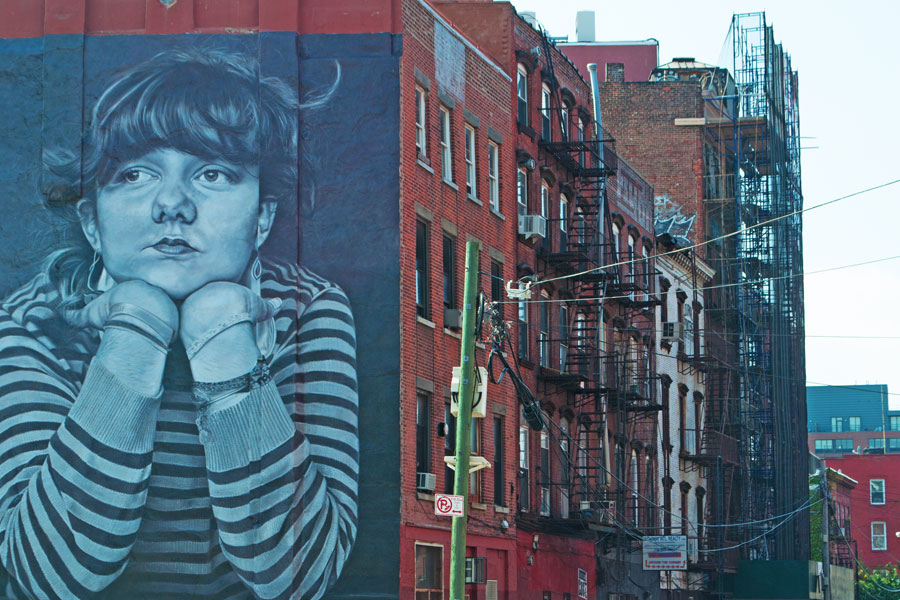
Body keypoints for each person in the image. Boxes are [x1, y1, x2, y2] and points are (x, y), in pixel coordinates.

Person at [0, 48, 358, 599]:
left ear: (262, 216)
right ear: (91, 222)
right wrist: (135, 332)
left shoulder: (309, 309)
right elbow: (53, 574)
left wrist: (225, 349)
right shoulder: (32, 323)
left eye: (212, 173)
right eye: (135, 173)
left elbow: (298, 576)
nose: (172, 204)